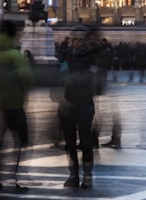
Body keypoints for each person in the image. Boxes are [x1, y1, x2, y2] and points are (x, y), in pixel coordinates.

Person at [0, 21, 35, 192]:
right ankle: (17, 178)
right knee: (21, 141)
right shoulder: (15, 55)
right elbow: (27, 79)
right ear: (14, 35)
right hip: (14, 104)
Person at [57, 26, 104, 189]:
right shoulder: (65, 54)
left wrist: (71, 79)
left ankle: (88, 175)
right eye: (72, 38)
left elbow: (90, 77)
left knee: (85, 141)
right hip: (66, 103)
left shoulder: (92, 56)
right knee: (69, 143)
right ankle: (73, 174)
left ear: (83, 40)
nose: (74, 42)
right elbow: (60, 72)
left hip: (84, 102)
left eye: (77, 39)